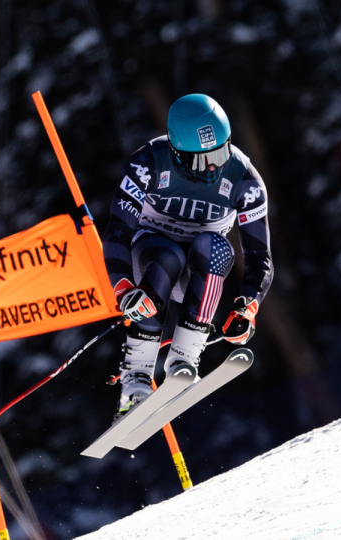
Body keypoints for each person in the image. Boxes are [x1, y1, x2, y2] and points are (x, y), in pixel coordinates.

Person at [103, 94, 273, 418]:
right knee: (168, 255)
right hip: (149, 261)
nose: (212, 167)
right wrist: (123, 287)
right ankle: (136, 374)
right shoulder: (146, 164)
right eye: (200, 161)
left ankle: (185, 358)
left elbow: (259, 256)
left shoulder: (245, 180)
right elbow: (117, 233)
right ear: (177, 152)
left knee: (217, 248)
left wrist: (248, 307)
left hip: (198, 271)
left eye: (220, 152)